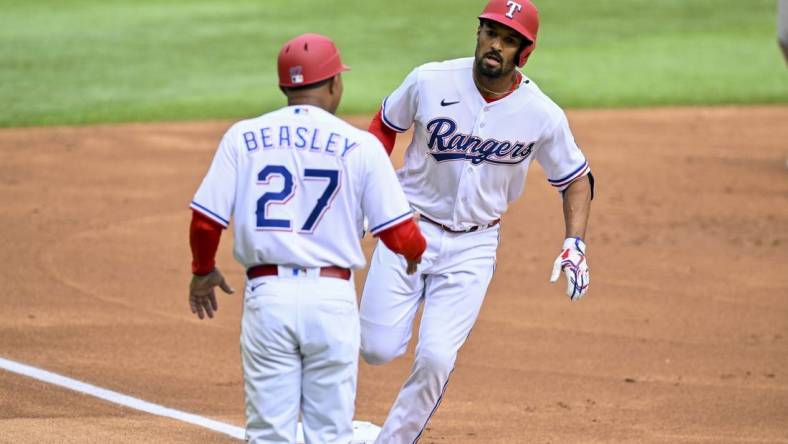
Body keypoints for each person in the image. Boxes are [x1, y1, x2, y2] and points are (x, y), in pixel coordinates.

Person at [359, 0, 594, 441]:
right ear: (478, 32)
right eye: (490, 33)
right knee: (376, 348)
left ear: (524, 52)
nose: (495, 46)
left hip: (473, 245)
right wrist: (365, 195)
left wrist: (574, 242)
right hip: (408, 227)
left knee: (435, 359)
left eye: (508, 40)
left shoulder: (542, 114)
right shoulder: (429, 80)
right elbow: (385, 124)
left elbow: (576, 179)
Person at [187, 33, 426, 444]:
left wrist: (203, 271)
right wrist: (414, 254)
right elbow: (399, 233)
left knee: (268, 435)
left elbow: (206, 222)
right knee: (330, 434)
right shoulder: (361, 146)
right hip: (331, 301)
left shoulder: (242, 137)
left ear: (284, 86)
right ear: (335, 84)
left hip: (268, 297)